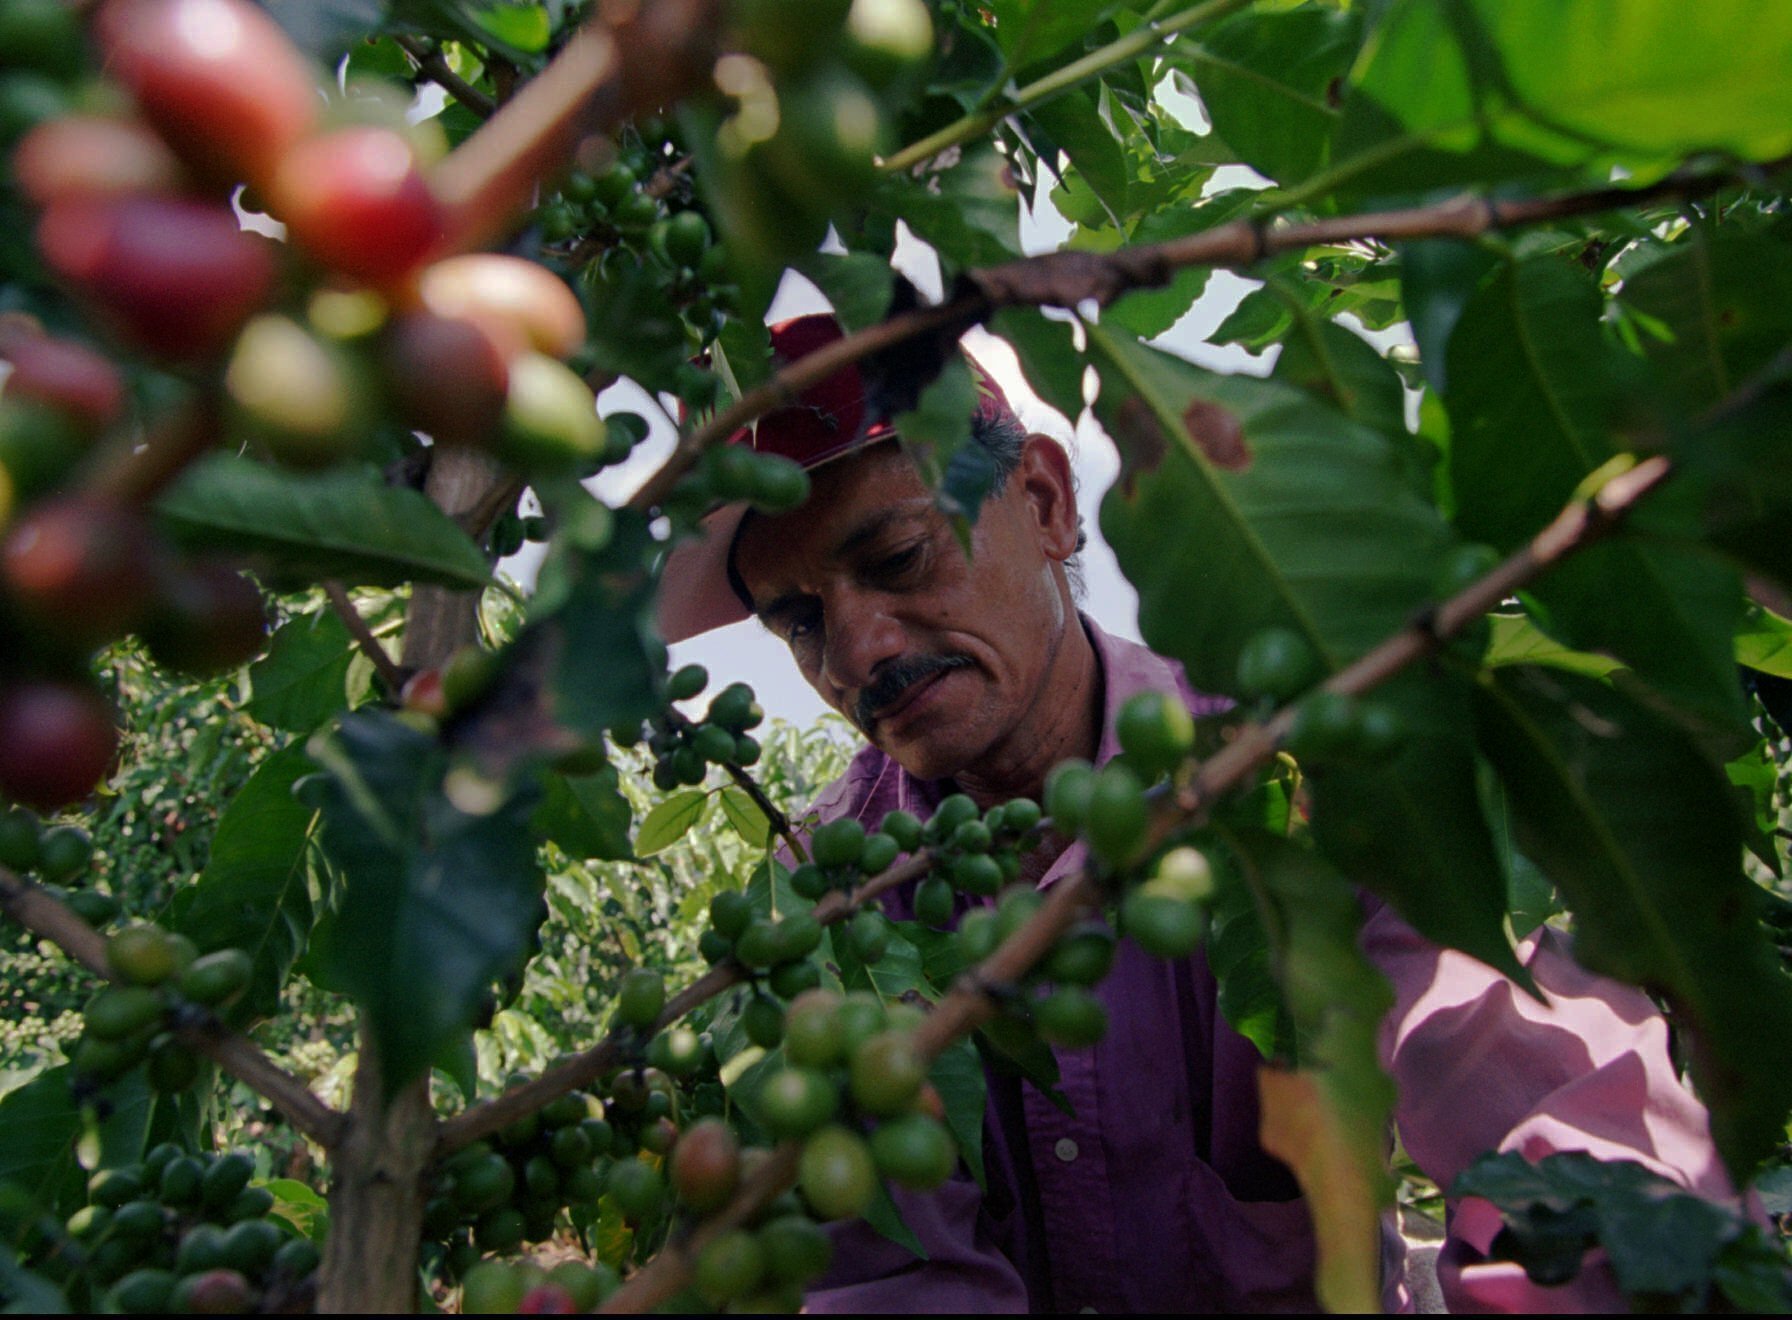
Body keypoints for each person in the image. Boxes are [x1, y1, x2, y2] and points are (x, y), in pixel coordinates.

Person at [656, 314, 1741, 1312]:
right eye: (799, 623)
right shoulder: (832, 891)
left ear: (1041, 501)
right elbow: (889, 1269)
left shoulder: (1290, 763)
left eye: (897, 559)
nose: (858, 652)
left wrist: (1626, 1267)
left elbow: (1525, 1079)